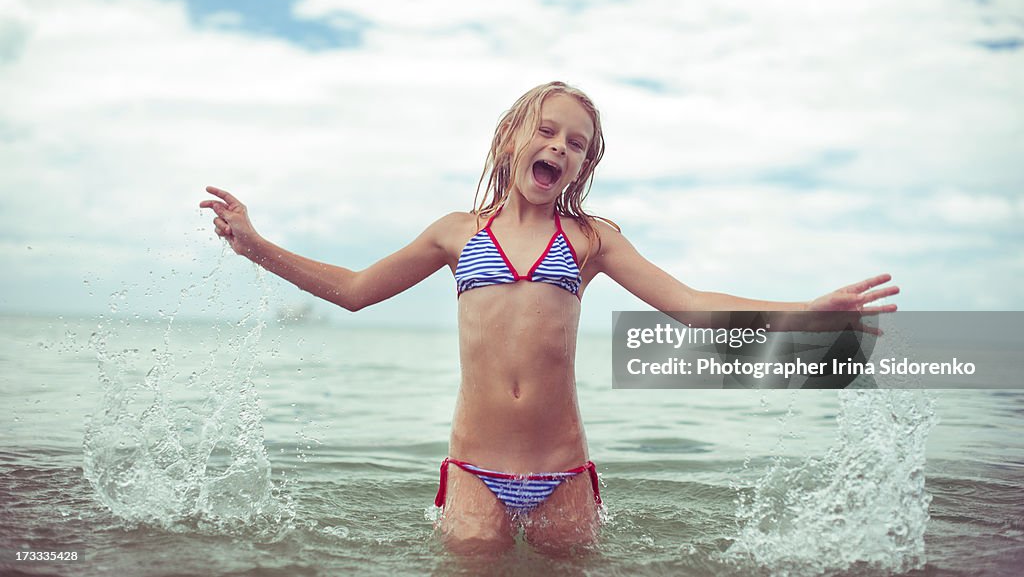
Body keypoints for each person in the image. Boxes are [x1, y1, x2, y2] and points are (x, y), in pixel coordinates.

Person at [200, 81, 898, 555]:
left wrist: (806, 312)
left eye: (578, 144)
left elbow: (690, 306)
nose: (561, 147)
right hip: (475, 469)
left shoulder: (592, 239)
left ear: (583, 165)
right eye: (549, 131)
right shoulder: (456, 234)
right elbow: (354, 289)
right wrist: (255, 245)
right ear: (512, 137)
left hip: (564, 472)